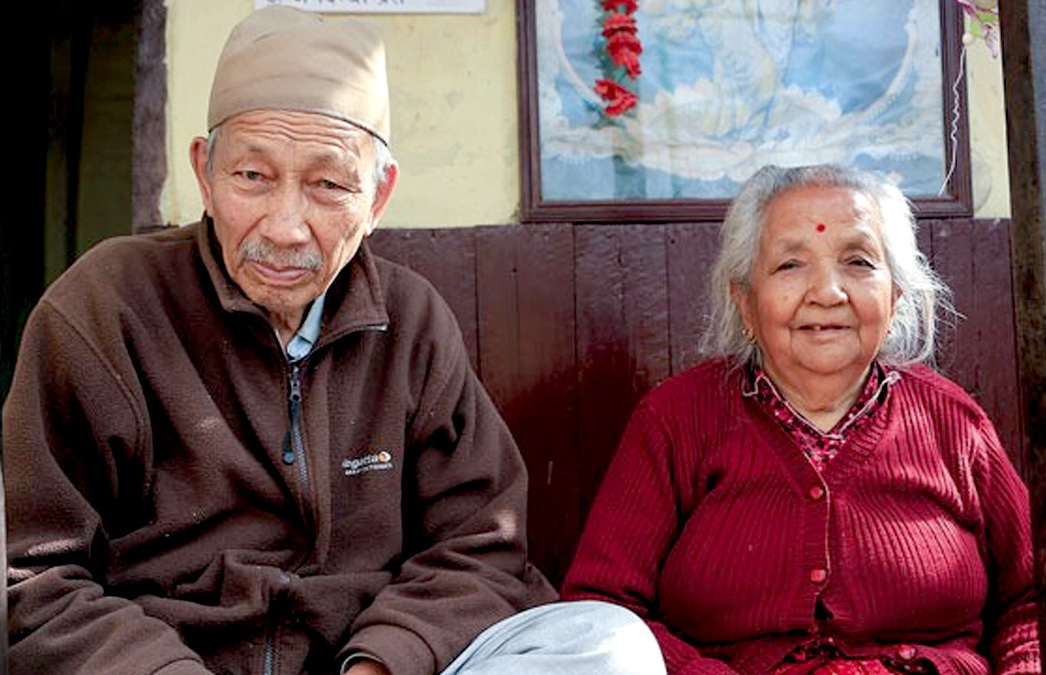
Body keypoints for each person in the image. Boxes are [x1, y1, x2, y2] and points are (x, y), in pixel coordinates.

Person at [2, 7, 665, 675]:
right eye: (253, 177)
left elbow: (479, 543)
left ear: (377, 197)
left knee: (610, 644)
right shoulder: (105, 306)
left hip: (363, 662)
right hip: (169, 664)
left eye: (328, 183)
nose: (287, 226)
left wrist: (381, 662)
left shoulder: (410, 322)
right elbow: (33, 574)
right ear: (205, 174)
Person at [561, 164, 1042, 675]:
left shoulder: (952, 421)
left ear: (895, 297)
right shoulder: (675, 421)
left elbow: (1030, 597)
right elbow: (600, 610)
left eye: (858, 261)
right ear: (744, 301)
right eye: (791, 265)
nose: (827, 292)